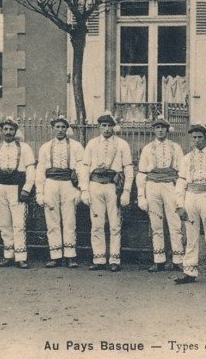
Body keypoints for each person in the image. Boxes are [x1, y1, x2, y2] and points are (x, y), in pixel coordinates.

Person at [79, 110, 134, 272]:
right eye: (104, 125)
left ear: (114, 127)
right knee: (97, 223)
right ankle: (99, 258)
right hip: (95, 185)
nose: (107, 129)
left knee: (115, 223)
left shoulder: (122, 144)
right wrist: (84, 190)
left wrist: (126, 191)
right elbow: (85, 168)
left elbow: (128, 168)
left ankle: (114, 259)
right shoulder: (92, 144)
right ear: (99, 127)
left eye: (110, 125)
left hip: (112, 186)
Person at [0, 117, 36, 269]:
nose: (8, 132)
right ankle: (8, 255)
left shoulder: (24, 148)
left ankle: (21, 256)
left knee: (19, 223)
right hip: (0, 188)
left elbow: (31, 170)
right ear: (1, 131)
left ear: (15, 131)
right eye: (5, 129)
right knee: (4, 223)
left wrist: (26, 189)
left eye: (11, 129)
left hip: (17, 188)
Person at [173, 124, 206, 286]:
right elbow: (181, 182)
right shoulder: (186, 159)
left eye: (200, 137)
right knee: (191, 235)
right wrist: (179, 205)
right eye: (194, 137)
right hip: (191, 196)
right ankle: (189, 271)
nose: (197, 140)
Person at [136, 115, 185, 272]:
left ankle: (178, 259)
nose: (160, 130)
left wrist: (180, 193)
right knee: (156, 224)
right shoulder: (147, 148)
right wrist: (141, 196)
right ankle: (159, 259)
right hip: (152, 186)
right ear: (153, 130)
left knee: (175, 222)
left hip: (170, 185)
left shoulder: (175, 148)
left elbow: (181, 172)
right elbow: (142, 173)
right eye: (157, 127)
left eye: (163, 127)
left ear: (167, 129)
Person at [35, 115, 85, 268]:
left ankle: (70, 255)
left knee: (70, 220)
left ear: (67, 129)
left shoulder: (76, 146)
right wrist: (40, 192)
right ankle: (55, 256)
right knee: (52, 221)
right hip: (50, 184)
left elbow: (81, 169)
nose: (61, 130)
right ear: (53, 128)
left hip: (68, 184)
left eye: (63, 127)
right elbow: (40, 170)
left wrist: (80, 189)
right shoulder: (45, 147)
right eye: (58, 127)